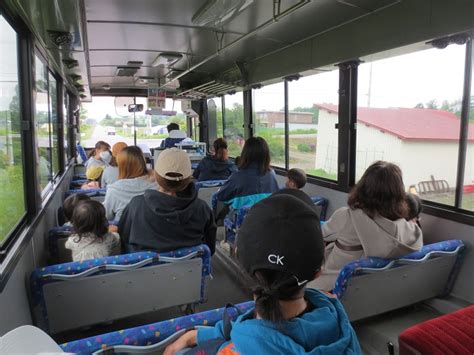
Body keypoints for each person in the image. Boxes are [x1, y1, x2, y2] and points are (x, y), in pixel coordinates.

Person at [164, 194, 361, 354]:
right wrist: (196, 336)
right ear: (318, 272)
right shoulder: (338, 324)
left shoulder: (236, 348)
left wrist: (191, 338)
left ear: (238, 257)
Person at [308, 161, 423, 291]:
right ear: (398, 192)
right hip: (378, 290)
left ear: (362, 186)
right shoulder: (410, 230)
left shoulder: (346, 216)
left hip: (332, 285)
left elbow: (317, 235)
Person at [119, 148, 216, 254]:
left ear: (156, 175)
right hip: (190, 269)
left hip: (144, 269)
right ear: (188, 178)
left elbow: (123, 239)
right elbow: (210, 248)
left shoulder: (136, 206)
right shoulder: (202, 209)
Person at [215, 137, 279, 210]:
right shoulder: (271, 174)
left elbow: (221, 196)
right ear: (266, 154)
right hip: (266, 218)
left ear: (245, 154)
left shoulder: (238, 176)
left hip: (243, 220)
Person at [103, 146, 157, 222]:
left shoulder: (114, 190)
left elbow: (106, 216)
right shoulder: (158, 185)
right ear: (143, 161)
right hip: (152, 231)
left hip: (124, 232)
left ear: (121, 166)